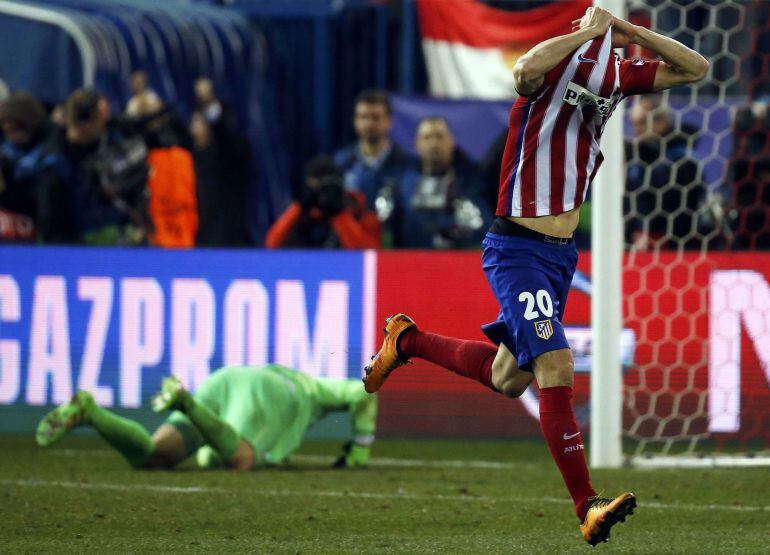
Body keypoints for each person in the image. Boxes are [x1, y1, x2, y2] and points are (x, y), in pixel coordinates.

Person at [362, 6, 708, 545]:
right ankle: (585, 504)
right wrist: (590, 31)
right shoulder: (547, 70)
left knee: (509, 378)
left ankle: (407, 340)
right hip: (516, 246)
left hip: (559, 254)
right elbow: (522, 71)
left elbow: (695, 69)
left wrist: (632, 32)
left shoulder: (614, 73)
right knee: (556, 362)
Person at [36, 365, 377, 471]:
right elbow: (363, 391)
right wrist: (360, 450)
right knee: (241, 458)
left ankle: (90, 412)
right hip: (270, 391)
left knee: (153, 456)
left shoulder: (280, 374)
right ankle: (186, 403)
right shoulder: (311, 388)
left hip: (226, 379)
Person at [35, 88, 150, 245]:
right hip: (78, 250)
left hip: (126, 242)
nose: (106, 123)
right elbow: (52, 226)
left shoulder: (115, 138)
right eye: (101, 120)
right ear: (84, 125)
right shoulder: (55, 164)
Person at [333, 90, 415, 244]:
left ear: (389, 121)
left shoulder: (408, 164)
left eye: (376, 118)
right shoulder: (342, 162)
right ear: (355, 120)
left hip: (397, 249)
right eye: (363, 117)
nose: (369, 124)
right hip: (351, 248)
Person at [396, 116, 489, 249]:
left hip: (457, 260)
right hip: (410, 259)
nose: (434, 144)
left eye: (439, 136)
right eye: (427, 137)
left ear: (452, 141)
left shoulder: (471, 181)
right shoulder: (403, 182)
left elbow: (484, 229)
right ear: (417, 144)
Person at [625, 96, 704, 250]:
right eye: (634, 124)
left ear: (660, 122)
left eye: (641, 123)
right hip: (639, 244)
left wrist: (657, 237)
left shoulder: (683, 158)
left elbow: (681, 208)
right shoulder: (637, 157)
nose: (636, 130)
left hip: (676, 247)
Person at [265, 155, 380, 249]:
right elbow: (272, 244)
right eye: (315, 188)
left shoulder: (357, 208)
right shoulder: (303, 211)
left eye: (326, 189)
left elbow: (366, 254)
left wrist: (338, 213)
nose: (322, 195)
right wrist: (300, 207)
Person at [0, 92, 50, 241]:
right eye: (7, 131)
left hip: (38, 233)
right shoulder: (7, 151)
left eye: (15, 130)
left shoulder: (49, 155)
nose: (11, 137)